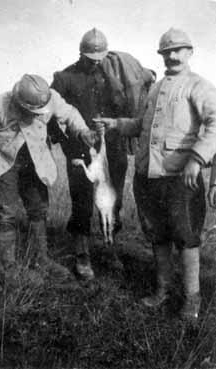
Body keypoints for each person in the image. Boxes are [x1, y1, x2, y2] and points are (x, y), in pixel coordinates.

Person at [94, 28, 216, 323]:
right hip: (147, 176)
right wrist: (115, 123)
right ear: (161, 55)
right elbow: (141, 125)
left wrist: (196, 160)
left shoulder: (199, 86)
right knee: (157, 234)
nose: (172, 56)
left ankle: (191, 299)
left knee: (186, 237)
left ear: (190, 53)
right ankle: (162, 289)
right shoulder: (155, 88)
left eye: (178, 50)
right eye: (167, 51)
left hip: (180, 178)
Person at [49, 28, 155, 280]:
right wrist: (75, 138)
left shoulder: (114, 75)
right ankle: (82, 253)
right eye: (90, 57)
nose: (96, 61)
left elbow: (133, 97)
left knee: (113, 200)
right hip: (80, 152)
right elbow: (53, 117)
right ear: (81, 53)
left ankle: (110, 248)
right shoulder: (64, 78)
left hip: (113, 149)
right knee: (82, 201)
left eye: (100, 57)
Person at [0, 74, 96, 280]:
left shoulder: (51, 98)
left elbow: (70, 113)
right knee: (6, 213)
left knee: (39, 209)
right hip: (5, 162)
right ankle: (9, 267)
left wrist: (83, 130)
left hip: (35, 161)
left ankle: (41, 259)